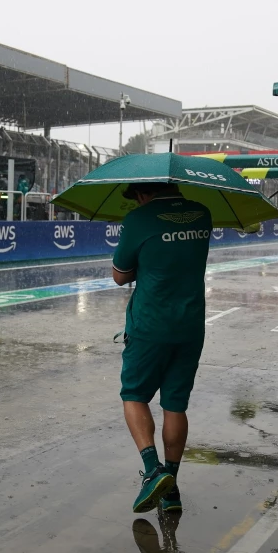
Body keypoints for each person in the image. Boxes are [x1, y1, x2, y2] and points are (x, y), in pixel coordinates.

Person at [112, 182, 212, 513]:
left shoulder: (139, 220)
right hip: (190, 325)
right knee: (175, 405)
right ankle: (171, 490)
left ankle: (153, 470)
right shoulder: (202, 215)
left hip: (150, 326)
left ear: (143, 193)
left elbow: (120, 275)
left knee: (134, 396)